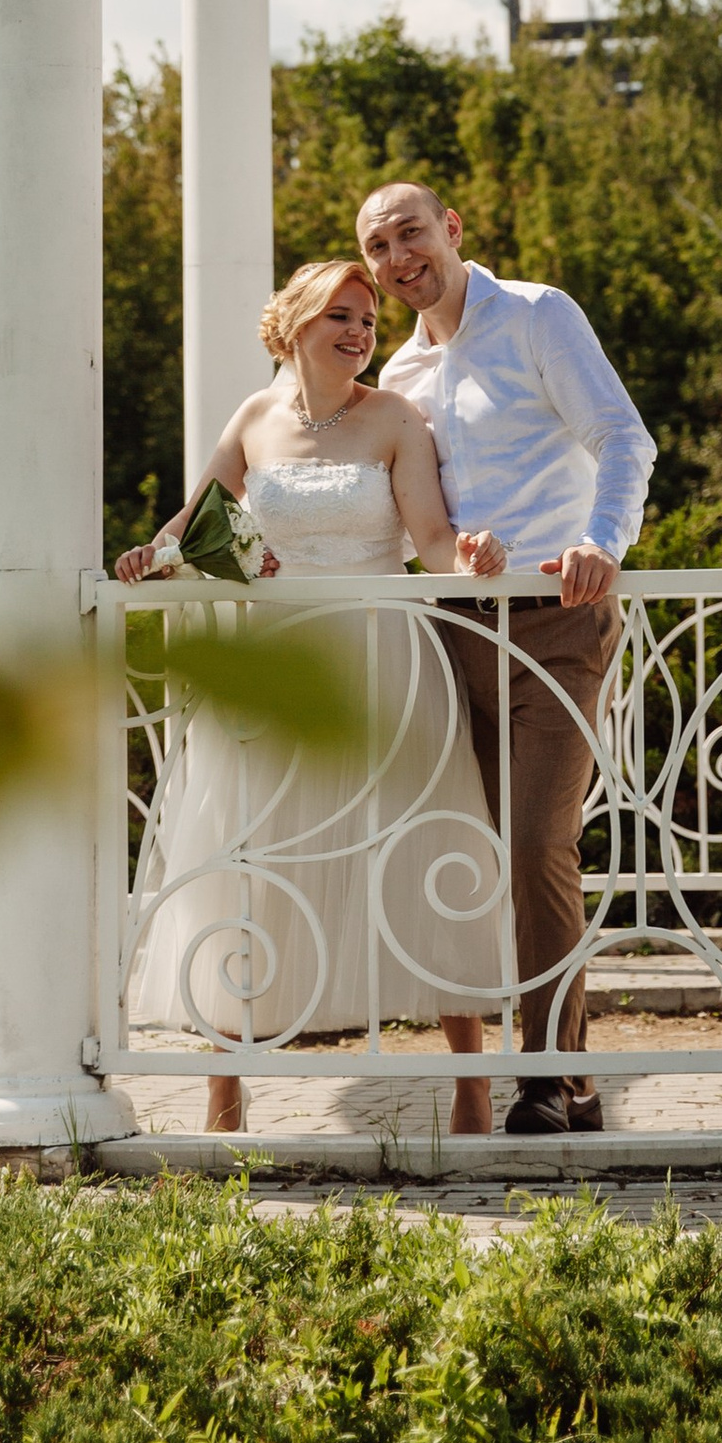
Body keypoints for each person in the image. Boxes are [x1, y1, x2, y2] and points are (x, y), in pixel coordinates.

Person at [116, 256, 510, 1134]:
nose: (360, 333)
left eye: (368, 320)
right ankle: (225, 1097)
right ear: (295, 324)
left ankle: (473, 1089)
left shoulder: (396, 419)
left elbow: (433, 541)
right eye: (341, 315)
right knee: (247, 861)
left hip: (384, 662)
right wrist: (151, 558)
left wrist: (473, 556)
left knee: (422, 850)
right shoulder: (253, 418)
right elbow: (191, 531)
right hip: (278, 671)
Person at [358, 181, 654, 1137]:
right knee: (477, 860)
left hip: (559, 621)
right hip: (451, 635)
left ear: (451, 230)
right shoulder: (396, 377)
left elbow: (621, 436)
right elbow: (405, 525)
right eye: (378, 248)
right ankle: (573, 1079)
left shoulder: (535, 314)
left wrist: (603, 540)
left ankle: (541, 1078)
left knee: (537, 845)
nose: (400, 257)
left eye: (411, 233)